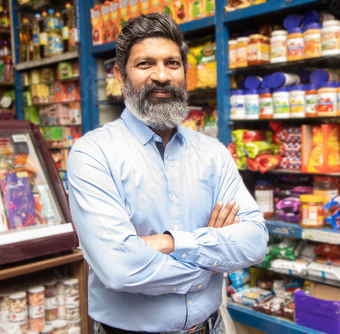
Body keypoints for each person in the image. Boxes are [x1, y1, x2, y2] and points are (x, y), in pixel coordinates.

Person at [67, 12, 268, 334]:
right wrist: (210, 266)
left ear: (185, 72)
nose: (161, 76)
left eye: (172, 64)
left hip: (210, 327)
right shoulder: (93, 153)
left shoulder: (212, 152)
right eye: (145, 64)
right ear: (120, 76)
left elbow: (254, 242)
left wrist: (169, 242)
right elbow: (120, 268)